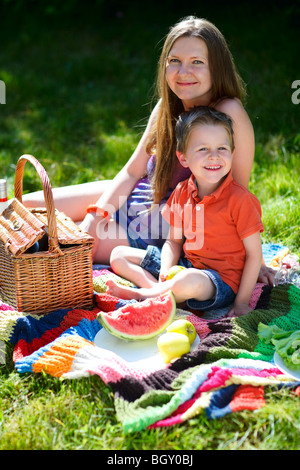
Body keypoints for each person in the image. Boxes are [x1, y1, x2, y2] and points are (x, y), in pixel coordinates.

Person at [22, 16, 273, 283]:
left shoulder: (228, 113)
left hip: (152, 228)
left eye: (197, 62)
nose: (183, 72)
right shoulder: (167, 105)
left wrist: (253, 259)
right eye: (174, 61)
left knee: (55, 240)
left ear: (218, 68)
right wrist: (97, 215)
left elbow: (239, 194)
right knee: (24, 207)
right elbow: (132, 172)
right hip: (135, 194)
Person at [106, 107, 264, 317]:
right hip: (184, 265)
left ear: (232, 153)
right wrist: (166, 269)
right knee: (118, 255)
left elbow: (254, 255)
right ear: (184, 158)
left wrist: (242, 302)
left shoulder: (240, 200)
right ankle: (161, 291)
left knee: (188, 280)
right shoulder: (182, 192)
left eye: (222, 148)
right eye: (203, 149)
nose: (214, 157)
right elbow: (173, 242)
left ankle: (146, 296)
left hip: (220, 280)